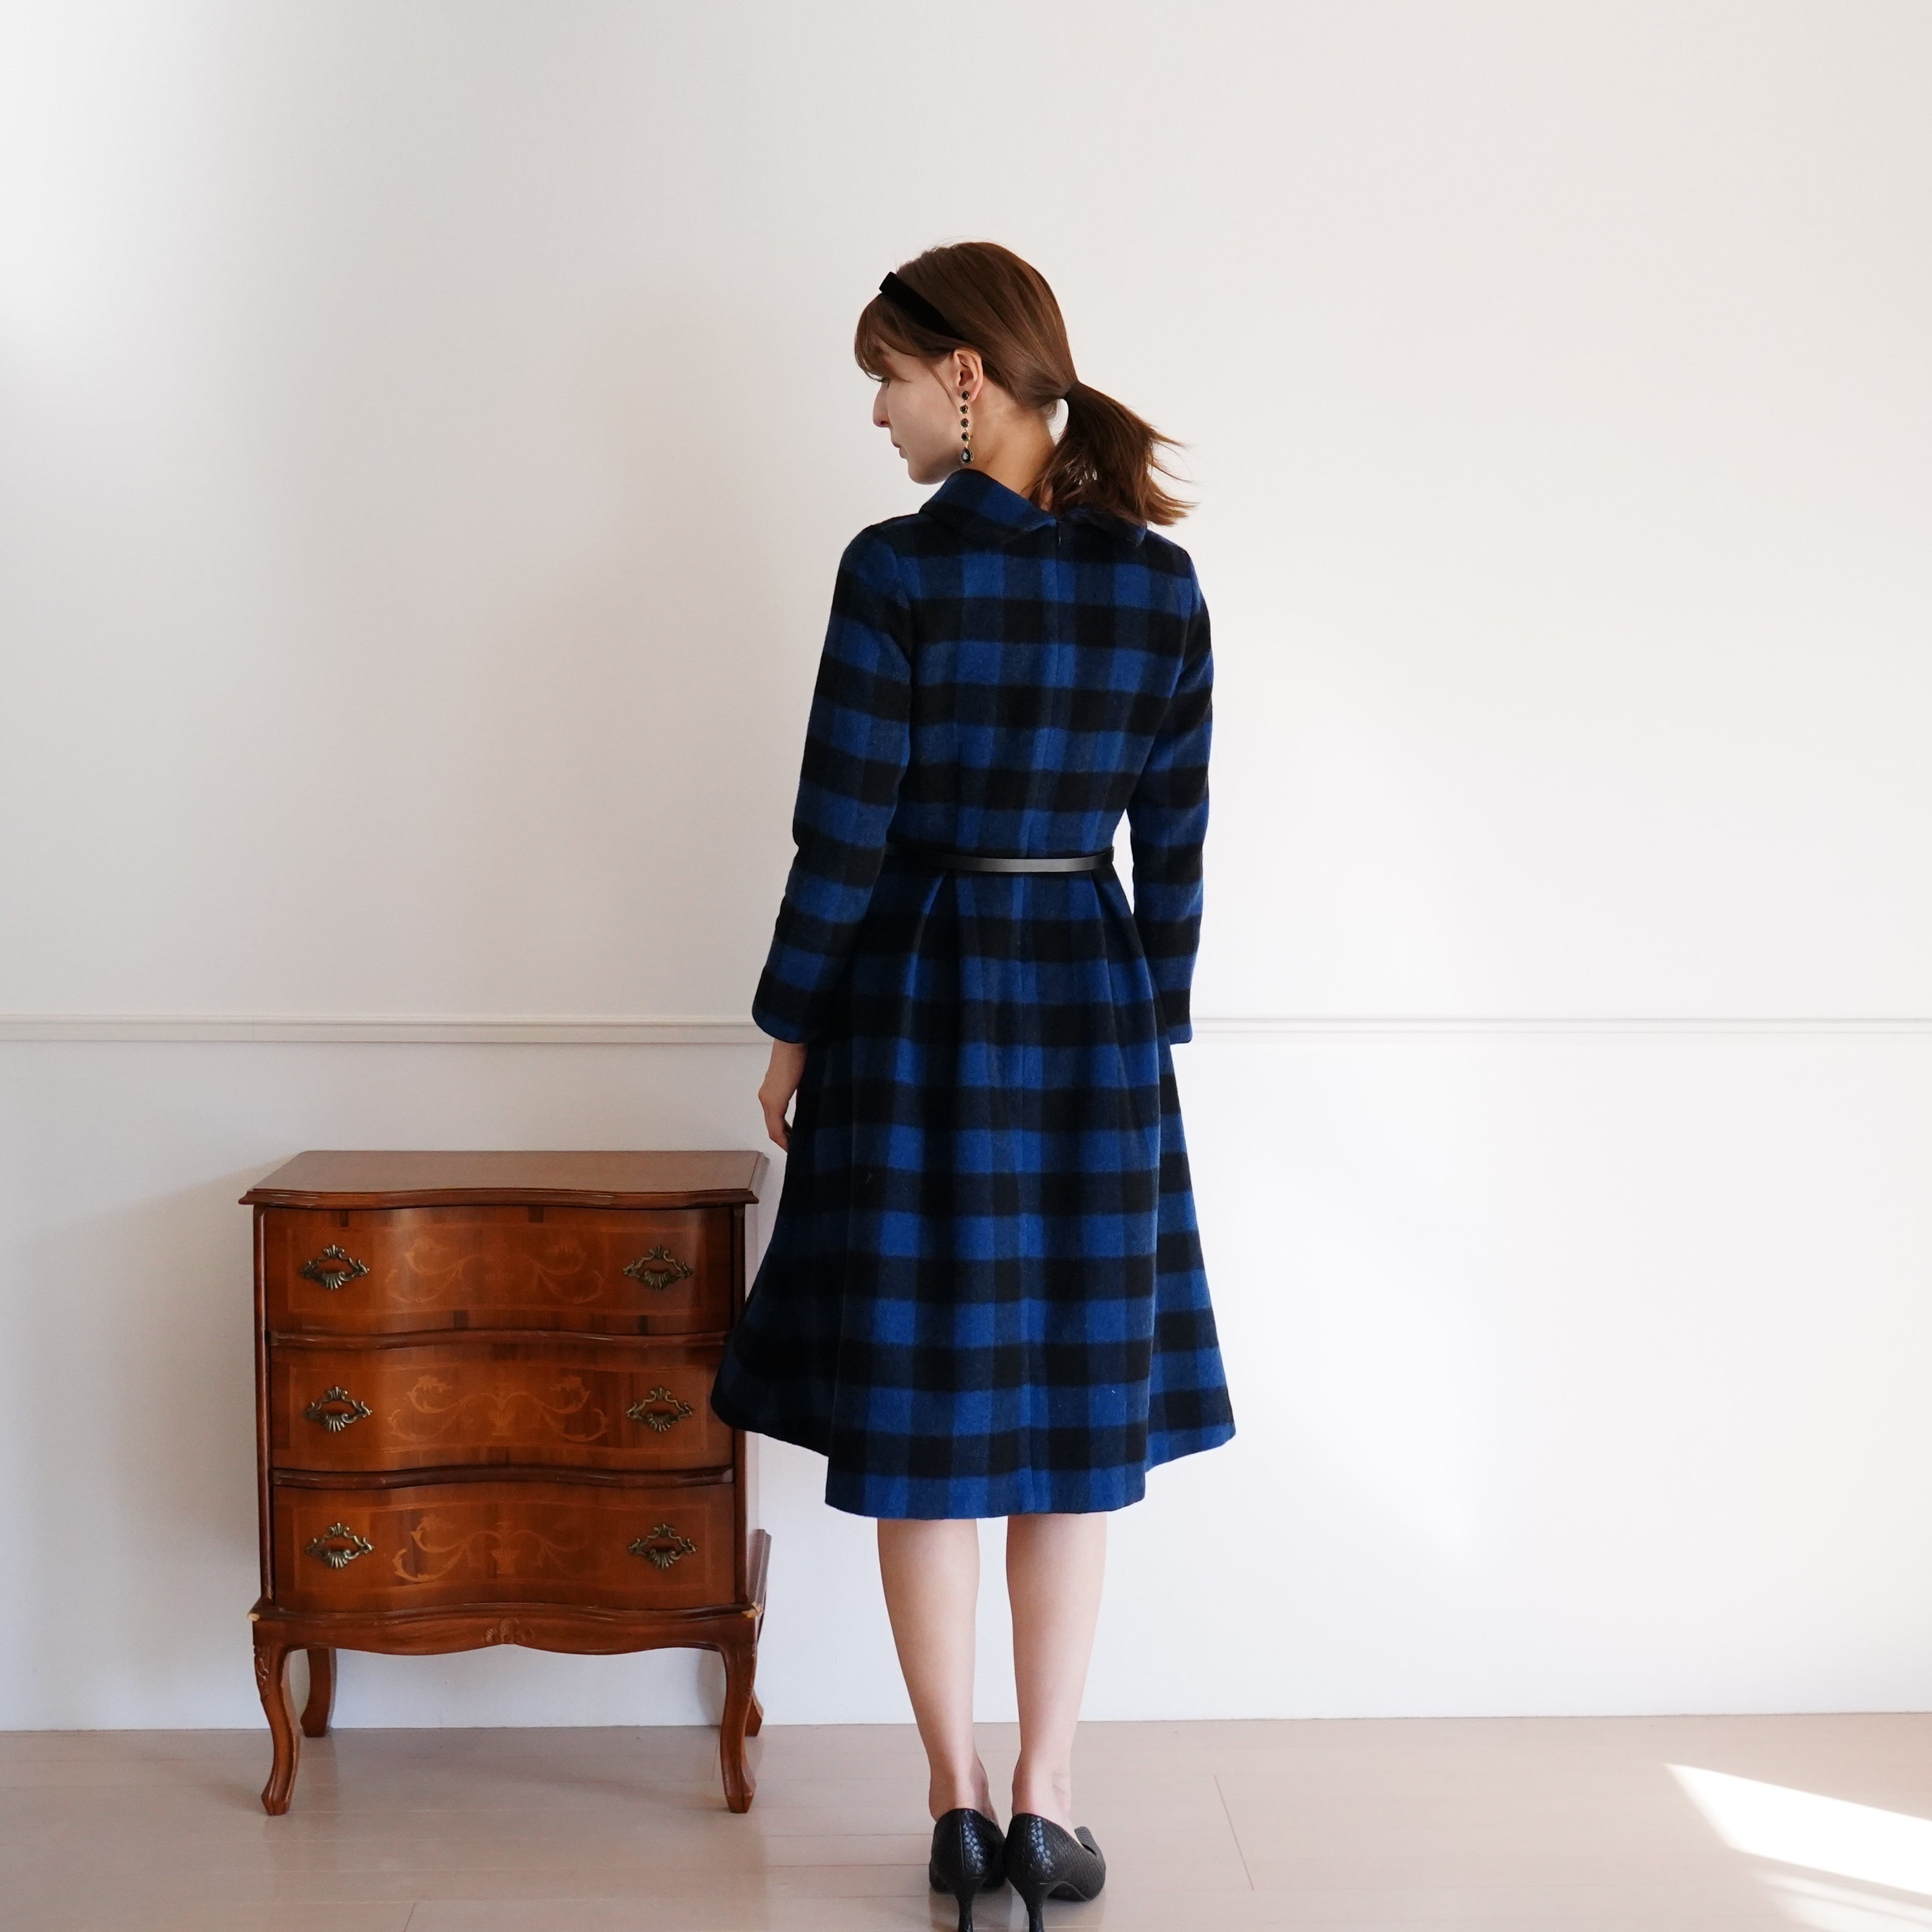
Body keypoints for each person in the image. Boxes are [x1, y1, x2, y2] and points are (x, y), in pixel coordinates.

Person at [711, 241, 1234, 1932]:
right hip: (1088, 1011)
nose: (876, 414)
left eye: (886, 376)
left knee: (930, 1425)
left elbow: (842, 834)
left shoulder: (897, 573)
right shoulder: (1159, 587)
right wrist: (1147, 1025)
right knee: (1074, 1433)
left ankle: (955, 1803)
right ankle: (1045, 1801)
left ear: (965, 375)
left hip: (918, 1003)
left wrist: (793, 1027)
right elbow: (1177, 846)